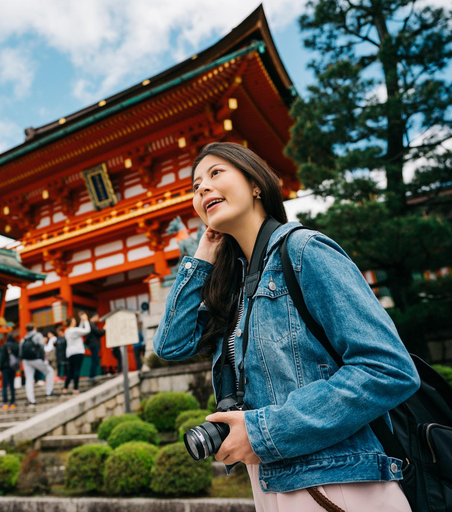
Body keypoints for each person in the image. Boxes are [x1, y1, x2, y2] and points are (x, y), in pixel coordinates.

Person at [153, 142, 419, 512]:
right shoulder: (232, 287)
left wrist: (262, 431)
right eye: (195, 186)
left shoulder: (305, 251)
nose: (202, 189)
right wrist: (201, 257)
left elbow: (389, 369)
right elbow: (170, 345)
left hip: (338, 481)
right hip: (271, 483)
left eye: (216, 174)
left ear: (255, 184)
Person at [19, 324, 55, 405]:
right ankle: (49, 392)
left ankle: (31, 400)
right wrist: (42, 358)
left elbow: (20, 351)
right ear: (34, 328)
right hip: (36, 358)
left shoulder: (24, 339)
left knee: (29, 379)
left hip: (26, 360)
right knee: (50, 372)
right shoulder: (38, 335)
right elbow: (42, 347)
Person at [63, 311, 90, 394]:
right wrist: (86, 320)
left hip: (70, 353)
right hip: (78, 351)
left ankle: (65, 387)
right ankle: (75, 388)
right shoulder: (74, 330)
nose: (75, 321)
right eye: (74, 320)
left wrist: (82, 321)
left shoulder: (67, 331)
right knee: (76, 370)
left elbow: (80, 329)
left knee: (70, 370)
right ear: (71, 322)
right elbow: (86, 330)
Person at [0, 334, 19, 409]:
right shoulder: (16, 346)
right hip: (13, 367)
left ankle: (5, 402)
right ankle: (12, 401)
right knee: (12, 385)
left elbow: (2, 357)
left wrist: (1, 367)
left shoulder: (5, 346)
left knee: (4, 385)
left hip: (5, 367)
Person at [85, 314, 106, 382]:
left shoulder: (91, 325)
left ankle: (92, 375)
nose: (98, 318)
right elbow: (98, 333)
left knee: (95, 360)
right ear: (94, 317)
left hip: (92, 344)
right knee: (95, 360)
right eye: (97, 317)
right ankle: (92, 376)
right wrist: (104, 329)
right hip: (94, 344)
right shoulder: (91, 325)